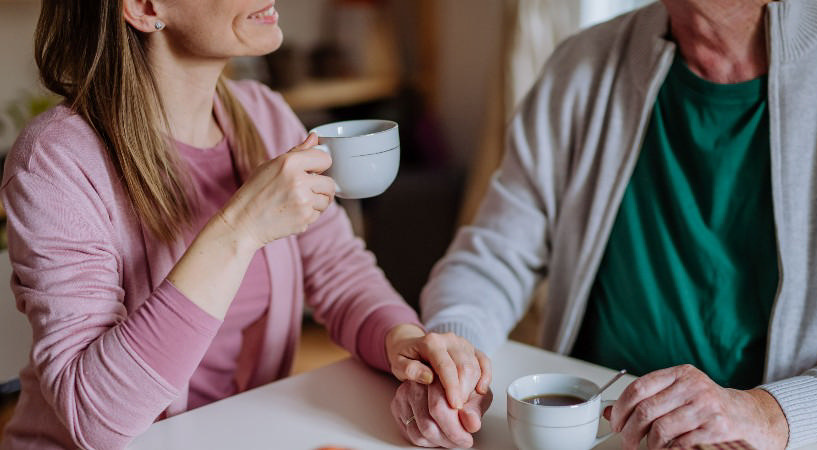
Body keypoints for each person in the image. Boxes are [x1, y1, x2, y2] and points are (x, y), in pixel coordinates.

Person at [0, 1, 488, 449]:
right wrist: (240, 228)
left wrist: (402, 343)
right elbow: (95, 417)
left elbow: (339, 272)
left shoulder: (264, 115)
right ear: (146, 7)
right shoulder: (55, 162)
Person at [393, 0, 817, 448]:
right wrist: (454, 355)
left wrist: (769, 412)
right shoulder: (582, 63)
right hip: (594, 432)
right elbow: (493, 254)